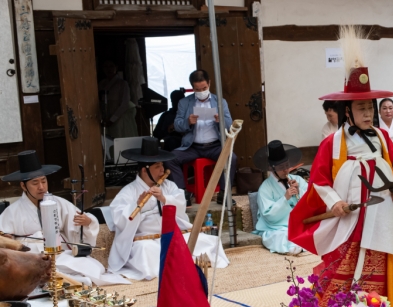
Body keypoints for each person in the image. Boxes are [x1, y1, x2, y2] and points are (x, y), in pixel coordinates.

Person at [289, 28, 393, 307]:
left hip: (385, 215)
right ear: (347, 112)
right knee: (346, 266)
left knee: (389, 262)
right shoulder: (334, 142)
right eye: (361, 108)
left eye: (370, 107)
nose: (367, 113)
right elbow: (319, 180)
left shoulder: (382, 136)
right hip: (353, 217)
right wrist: (334, 202)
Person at [108, 137, 229, 280]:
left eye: (162, 165)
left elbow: (181, 204)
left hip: (172, 234)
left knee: (206, 241)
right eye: (157, 167)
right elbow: (119, 218)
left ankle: (185, 264)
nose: (162, 170)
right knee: (146, 251)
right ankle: (177, 267)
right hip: (146, 239)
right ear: (145, 170)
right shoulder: (129, 191)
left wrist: (165, 199)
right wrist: (137, 206)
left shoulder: (168, 186)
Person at [0, 151, 124, 286]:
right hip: (32, 258)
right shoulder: (11, 212)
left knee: (92, 266)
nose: (41, 187)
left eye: (43, 181)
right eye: (35, 183)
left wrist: (87, 222)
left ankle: (66, 281)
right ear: (24, 186)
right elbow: (4, 241)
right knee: (43, 271)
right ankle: (68, 282)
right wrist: (8, 240)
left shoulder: (58, 202)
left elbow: (76, 223)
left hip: (59, 254)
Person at [167, 70, 238, 205]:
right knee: (171, 158)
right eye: (197, 89)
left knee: (231, 157)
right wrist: (187, 122)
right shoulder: (184, 102)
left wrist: (220, 121)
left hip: (215, 146)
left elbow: (230, 126)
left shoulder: (220, 102)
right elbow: (177, 125)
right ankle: (183, 194)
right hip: (193, 146)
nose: (201, 91)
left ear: (209, 83)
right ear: (192, 87)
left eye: (204, 88)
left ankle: (223, 194)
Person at [251, 141, 308, 255]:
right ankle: (297, 246)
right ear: (271, 168)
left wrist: (299, 191)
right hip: (276, 227)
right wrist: (285, 198)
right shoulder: (265, 187)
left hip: (300, 222)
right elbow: (268, 215)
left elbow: (310, 201)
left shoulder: (298, 180)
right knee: (281, 236)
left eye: (287, 165)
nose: (286, 170)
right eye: (281, 167)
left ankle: (299, 245)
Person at [99, 60, 138, 139]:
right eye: (106, 67)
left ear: (116, 68)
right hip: (105, 118)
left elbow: (124, 104)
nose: (108, 69)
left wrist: (112, 119)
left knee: (119, 140)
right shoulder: (102, 83)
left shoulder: (122, 84)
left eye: (111, 66)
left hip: (119, 118)